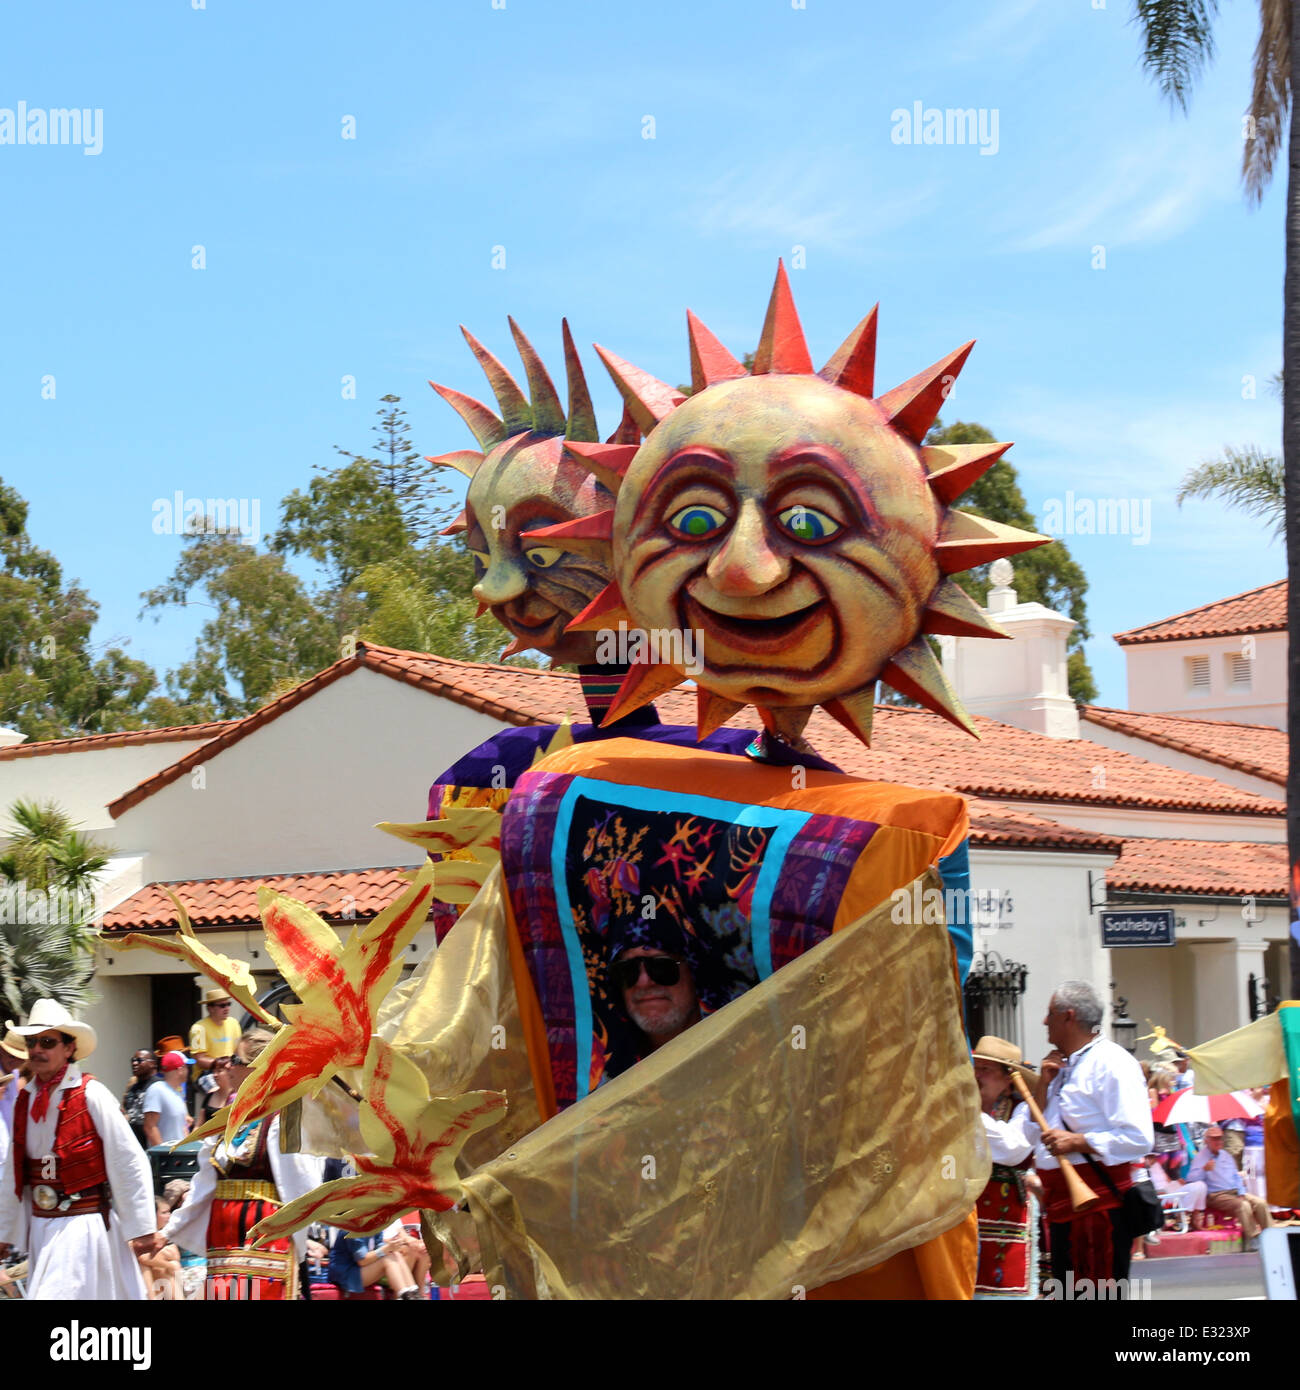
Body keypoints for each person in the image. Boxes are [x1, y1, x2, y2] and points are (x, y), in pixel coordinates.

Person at [0, 999, 157, 1298]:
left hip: (83, 1223)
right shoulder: (25, 1100)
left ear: (68, 1048)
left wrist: (142, 1227)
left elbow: (128, 1159)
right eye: (32, 1042)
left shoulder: (91, 1094)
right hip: (41, 1224)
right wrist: (3, 1231)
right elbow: (13, 1170)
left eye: (47, 1041)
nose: (37, 1050)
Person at [161, 1028, 324, 1299]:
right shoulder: (229, 1118)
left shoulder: (284, 1115)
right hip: (224, 1237)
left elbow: (303, 1180)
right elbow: (204, 1184)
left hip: (264, 1234)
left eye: (235, 1060)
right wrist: (169, 1230)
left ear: (256, 1068)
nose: (228, 1066)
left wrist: (299, 1232)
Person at [1028, 981, 1154, 1290]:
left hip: (1097, 1210)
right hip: (1063, 1207)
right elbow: (1036, 1126)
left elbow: (1139, 1137)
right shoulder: (1063, 1065)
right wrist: (1043, 1086)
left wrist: (1077, 1142)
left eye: (1050, 1014)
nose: (1045, 1022)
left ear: (1068, 1016)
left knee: (1097, 1293)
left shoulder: (1112, 1063)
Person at [970, 1036, 1039, 1299]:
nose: (977, 1076)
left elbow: (1012, 1150)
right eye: (975, 1068)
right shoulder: (965, 1114)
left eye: (986, 1070)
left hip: (1009, 1224)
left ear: (1008, 1079)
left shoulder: (1023, 1113)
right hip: (970, 1223)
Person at [1187, 1124, 1274, 1251]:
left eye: (1220, 1138)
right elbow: (1191, 1179)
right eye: (1214, 1139)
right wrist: (1204, 1170)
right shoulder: (1200, 1157)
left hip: (1233, 1191)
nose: (1218, 1141)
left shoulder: (1225, 1155)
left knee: (1260, 1203)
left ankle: (1271, 1236)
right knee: (1243, 1206)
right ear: (1207, 1141)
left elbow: (1236, 1176)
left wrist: (1241, 1191)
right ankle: (1253, 1238)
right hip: (1216, 1195)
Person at [327, 1220, 430, 1299]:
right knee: (387, 1258)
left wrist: (392, 1247)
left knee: (394, 1254)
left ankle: (413, 1292)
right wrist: (387, 1249)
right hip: (346, 1274)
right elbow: (362, 1260)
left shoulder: (375, 1224)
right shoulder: (353, 1227)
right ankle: (404, 1294)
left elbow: (381, 1247)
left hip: (360, 1269)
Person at [1145, 1154, 1207, 1231]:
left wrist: (1176, 1182)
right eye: (1149, 1157)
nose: (1152, 1159)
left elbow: (1167, 1180)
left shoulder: (1156, 1165)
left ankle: (1194, 1219)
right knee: (1195, 1187)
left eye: (1152, 1157)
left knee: (1202, 1185)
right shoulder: (1143, 1171)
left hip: (1171, 1189)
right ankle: (1179, 1219)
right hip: (1163, 1195)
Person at [142, 1051, 192, 1147]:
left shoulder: (178, 1093)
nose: (188, 1071)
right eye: (186, 1067)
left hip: (178, 1156)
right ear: (180, 1070)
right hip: (166, 1158)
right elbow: (150, 1126)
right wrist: (162, 1154)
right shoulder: (157, 1089)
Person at [121, 1050, 157, 1148]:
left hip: (152, 1147)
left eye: (139, 1060)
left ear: (152, 1063)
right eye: (133, 1060)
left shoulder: (158, 1086)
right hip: (135, 1147)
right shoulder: (132, 1088)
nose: (134, 1063)